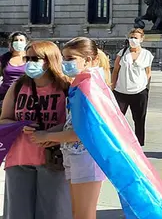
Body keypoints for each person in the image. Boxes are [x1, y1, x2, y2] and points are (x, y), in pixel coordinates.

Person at [30, 37, 112, 219]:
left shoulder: (89, 87)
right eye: (64, 58)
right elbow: (72, 122)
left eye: (71, 59)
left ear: (89, 60)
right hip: (75, 156)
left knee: (84, 214)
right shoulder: (81, 84)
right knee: (77, 213)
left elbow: (84, 133)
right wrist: (52, 133)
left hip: (86, 158)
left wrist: (46, 136)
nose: (65, 63)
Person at [0, 40, 72, 219]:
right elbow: (3, 119)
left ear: (49, 60)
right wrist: (19, 126)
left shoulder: (65, 87)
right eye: (27, 58)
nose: (30, 62)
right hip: (19, 157)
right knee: (18, 213)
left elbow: (74, 123)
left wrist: (52, 134)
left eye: (35, 58)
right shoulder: (18, 86)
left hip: (53, 158)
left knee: (53, 212)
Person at [111, 28, 154, 146]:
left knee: (139, 119)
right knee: (117, 118)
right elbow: (115, 70)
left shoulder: (147, 54)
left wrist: (146, 87)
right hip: (121, 91)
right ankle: (116, 141)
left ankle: (139, 144)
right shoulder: (123, 52)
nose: (133, 40)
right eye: (131, 37)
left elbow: (148, 72)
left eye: (135, 38)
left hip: (139, 91)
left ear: (141, 39)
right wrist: (112, 86)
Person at [0, 32, 30, 108]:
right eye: (16, 40)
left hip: (24, 95)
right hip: (4, 95)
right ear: (12, 42)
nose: (18, 42)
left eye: (21, 40)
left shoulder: (30, 58)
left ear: (26, 43)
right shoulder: (4, 58)